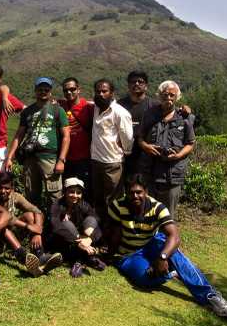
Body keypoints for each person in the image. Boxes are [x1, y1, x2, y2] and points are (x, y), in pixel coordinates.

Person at [104, 175, 227, 318]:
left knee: (172, 250)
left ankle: (210, 296)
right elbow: (115, 235)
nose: (135, 196)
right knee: (143, 279)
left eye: (138, 192)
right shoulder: (117, 206)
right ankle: (173, 272)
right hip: (129, 253)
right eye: (131, 192)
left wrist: (162, 257)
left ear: (146, 191)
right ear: (125, 192)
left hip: (151, 244)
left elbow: (174, 236)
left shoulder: (158, 207)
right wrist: (109, 256)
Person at [5, 77, 70, 212]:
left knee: (54, 195)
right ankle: (35, 221)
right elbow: (19, 136)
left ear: (50, 92)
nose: (43, 92)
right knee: (31, 194)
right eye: (40, 89)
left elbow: (66, 136)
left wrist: (61, 160)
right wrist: (9, 157)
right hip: (30, 158)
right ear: (35, 91)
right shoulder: (27, 112)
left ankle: (55, 222)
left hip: (49, 158)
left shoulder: (58, 111)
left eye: (46, 89)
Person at [137, 81, 196, 221]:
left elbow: (190, 143)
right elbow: (139, 137)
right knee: (148, 214)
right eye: (165, 95)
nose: (168, 98)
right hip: (149, 174)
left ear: (177, 97)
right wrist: (146, 146)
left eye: (172, 95)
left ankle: (166, 236)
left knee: (167, 217)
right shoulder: (149, 114)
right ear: (159, 96)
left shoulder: (184, 117)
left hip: (172, 175)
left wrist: (178, 155)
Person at [119, 70, 192, 180]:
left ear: (146, 86)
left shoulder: (154, 105)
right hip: (122, 156)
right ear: (128, 85)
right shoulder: (119, 105)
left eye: (140, 81)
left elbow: (171, 109)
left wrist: (185, 108)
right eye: (133, 81)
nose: (136, 84)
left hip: (146, 159)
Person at [0, 171, 63, 276]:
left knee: (29, 215)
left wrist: (37, 232)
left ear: (12, 188)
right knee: (3, 227)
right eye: (0, 188)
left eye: (7, 188)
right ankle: (24, 259)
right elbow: (6, 218)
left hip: (11, 236)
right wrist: (28, 226)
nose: (3, 191)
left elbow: (37, 211)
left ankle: (39, 255)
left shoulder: (15, 196)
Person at [90, 79, 134, 223]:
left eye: (104, 91)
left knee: (114, 199)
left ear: (112, 93)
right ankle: (100, 228)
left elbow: (127, 137)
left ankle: (115, 229)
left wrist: (125, 151)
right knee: (98, 198)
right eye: (98, 91)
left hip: (113, 163)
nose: (101, 94)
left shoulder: (120, 113)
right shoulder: (95, 108)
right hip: (96, 161)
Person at [48, 178, 107, 278]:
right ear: (65, 192)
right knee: (67, 224)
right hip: (63, 241)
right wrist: (79, 241)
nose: (75, 195)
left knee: (91, 220)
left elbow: (97, 221)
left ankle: (85, 257)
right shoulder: (57, 205)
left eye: (78, 193)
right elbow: (55, 226)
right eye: (71, 192)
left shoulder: (84, 205)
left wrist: (89, 239)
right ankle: (82, 259)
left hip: (81, 239)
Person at [58, 77, 94, 202]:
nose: (69, 92)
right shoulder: (61, 106)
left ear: (79, 89)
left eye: (72, 89)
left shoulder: (88, 108)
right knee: (67, 193)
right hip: (66, 159)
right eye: (65, 90)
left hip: (84, 159)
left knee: (84, 193)